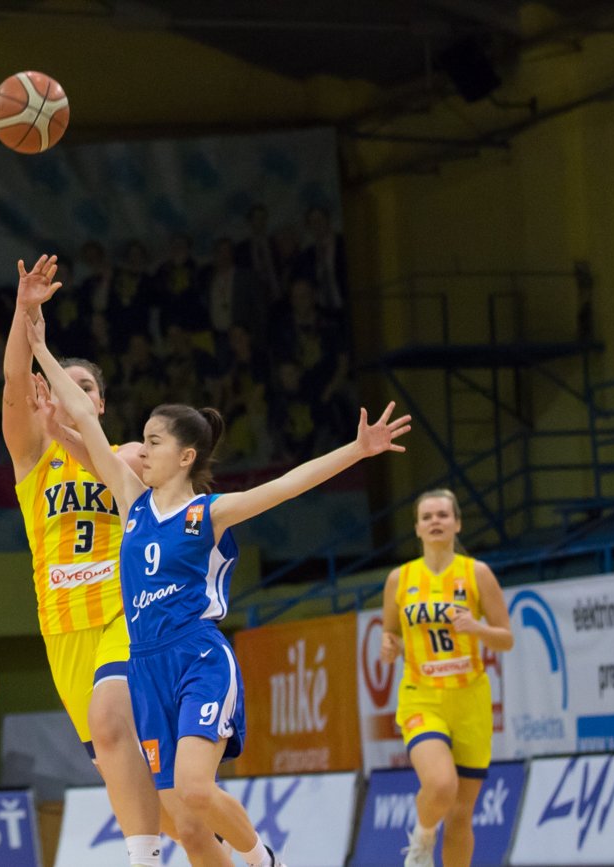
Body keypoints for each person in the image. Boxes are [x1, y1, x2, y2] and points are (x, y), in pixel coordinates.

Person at [26, 303, 410, 867]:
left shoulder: (208, 513)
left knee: (196, 790)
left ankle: (263, 860)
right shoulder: (131, 503)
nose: (138, 450)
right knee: (185, 816)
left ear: (184, 456)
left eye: (152, 442)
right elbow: (84, 417)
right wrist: (39, 349)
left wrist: (357, 449)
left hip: (197, 656)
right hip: (149, 668)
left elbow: (287, 485)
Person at [2, 255, 221, 867]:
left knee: (110, 717)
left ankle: (140, 859)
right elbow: (14, 380)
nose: (75, 393)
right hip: (62, 628)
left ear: (99, 403)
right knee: (177, 816)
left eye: (88, 387)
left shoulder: (130, 455)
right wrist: (24, 313)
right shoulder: (31, 459)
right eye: (65, 383)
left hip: (127, 614)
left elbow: (125, 468)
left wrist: (70, 427)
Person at [379, 490, 514, 867]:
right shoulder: (400, 578)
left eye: (442, 515)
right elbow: (390, 633)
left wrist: (477, 628)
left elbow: (506, 638)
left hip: (470, 700)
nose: (435, 521)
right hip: (421, 696)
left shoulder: (477, 573)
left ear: (457, 523)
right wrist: (389, 646)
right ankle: (422, 841)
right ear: (417, 528)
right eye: (427, 517)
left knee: (460, 814)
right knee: (440, 786)